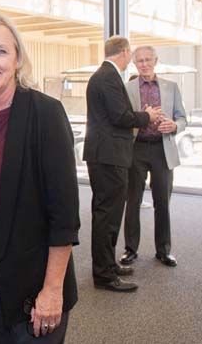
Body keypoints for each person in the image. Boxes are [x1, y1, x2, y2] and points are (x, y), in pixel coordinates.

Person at [0, 14, 80, 343]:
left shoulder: (45, 114)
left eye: (0, 51)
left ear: (18, 58)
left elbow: (64, 216)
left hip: (32, 292)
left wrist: (52, 291)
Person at [84, 35, 160, 292]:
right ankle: (104, 275)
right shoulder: (107, 76)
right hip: (108, 156)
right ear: (125, 52)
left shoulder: (105, 75)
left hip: (106, 155)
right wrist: (147, 116)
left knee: (107, 214)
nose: (134, 60)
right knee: (108, 216)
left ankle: (107, 265)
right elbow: (120, 116)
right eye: (132, 55)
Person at [121, 46, 186, 268]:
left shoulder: (171, 87)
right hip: (136, 149)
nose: (144, 64)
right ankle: (130, 250)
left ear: (156, 60)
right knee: (132, 202)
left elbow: (183, 117)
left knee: (162, 203)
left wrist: (175, 125)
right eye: (139, 61)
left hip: (162, 149)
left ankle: (164, 251)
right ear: (134, 63)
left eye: (148, 60)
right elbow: (123, 119)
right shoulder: (127, 89)